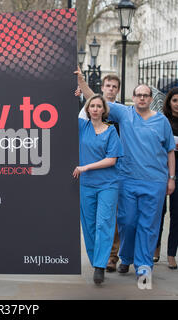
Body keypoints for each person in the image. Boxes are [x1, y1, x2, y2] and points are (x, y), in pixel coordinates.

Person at [76, 68, 176, 281]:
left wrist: (171, 178)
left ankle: (143, 264)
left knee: (149, 224)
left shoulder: (162, 121)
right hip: (127, 179)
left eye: (145, 95)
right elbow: (94, 100)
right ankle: (126, 256)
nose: (141, 98)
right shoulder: (124, 113)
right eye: (138, 95)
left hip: (156, 181)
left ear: (151, 98)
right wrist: (82, 82)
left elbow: (170, 151)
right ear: (133, 98)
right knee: (127, 221)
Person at [73, 94, 123, 284]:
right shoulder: (82, 127)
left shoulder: (111, 131)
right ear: (88, 109)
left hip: (107, 185)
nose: (95, 109)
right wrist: (75, 96)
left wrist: (85, 167)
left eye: (98, 106)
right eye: (91, 106)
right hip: (86, 185)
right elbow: (67, 114)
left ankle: (100, 266)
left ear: (104, 110)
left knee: (104, 223)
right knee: (89, 226)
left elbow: (112, 160)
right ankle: (96, 262)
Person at [154, 87, 178, 270]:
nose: (177, 104)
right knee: (159, 212)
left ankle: (171, 254)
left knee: (176, 214)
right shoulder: (162, 121)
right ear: (169, 102)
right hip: (162, 169)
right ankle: (156, 248)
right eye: (175, 100)